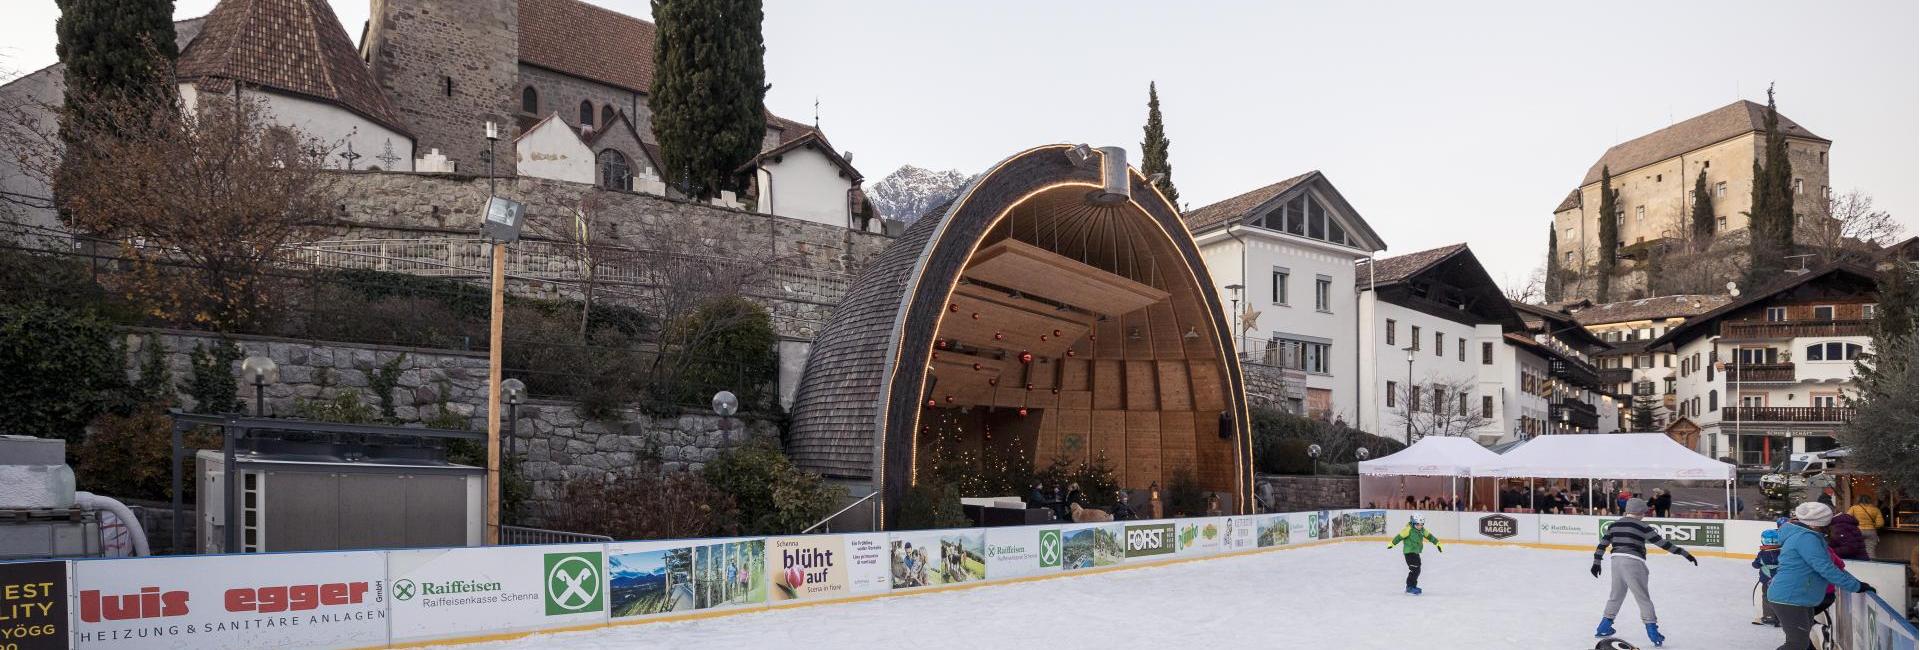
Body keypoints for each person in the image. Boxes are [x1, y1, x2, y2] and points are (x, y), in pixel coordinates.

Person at [1592, 497, 1698, 647]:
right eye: (1644, 512)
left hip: (1616, 561)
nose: (1645, 514)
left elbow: (1602, 545)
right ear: (1639, 512)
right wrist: (1684, 553)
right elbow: (1663, 544)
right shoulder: (1643, 526)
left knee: (1615, 595)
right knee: (1642, 598)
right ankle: (1653, 633)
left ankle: (1603, 628)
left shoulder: (1615, 525)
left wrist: (1596, 563)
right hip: (1634, 562)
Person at [1768, 502, 1873, 650]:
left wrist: (1856, 583)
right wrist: (1856, 586)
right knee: (1797, 644)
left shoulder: (1807, 536)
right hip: (1790, 598)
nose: (1829, 527)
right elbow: (1826, 568)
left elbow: (1829, 566)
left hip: (1799, 597)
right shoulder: (1806, 539)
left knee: (1803, 643)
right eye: (1827, 523)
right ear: (1817, 524)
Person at [1387, 513, 1442, 595]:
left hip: (1416, 552)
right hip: (1409, 552)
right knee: (1414, 569)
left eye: (1421, 524)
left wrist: (1437, 543)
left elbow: (1429, 536)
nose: (1420, 526)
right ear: (1413, 523)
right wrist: (1392, 543)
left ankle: (1412, 586)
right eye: (1417, 524)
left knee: (1417, 569)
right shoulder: (1408, 530)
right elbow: (1399, 537)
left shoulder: (1422, 530)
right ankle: (1409, 587)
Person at [1751, 528, 1782, 626]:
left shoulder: (1762, 554)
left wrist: (1757, 563)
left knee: (1767, 597)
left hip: (1767, 580)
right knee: (1780, 598)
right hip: (1780, 580)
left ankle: (1769, 616)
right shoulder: (1782, 552)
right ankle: (1781, 618)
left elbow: (1755, 565)